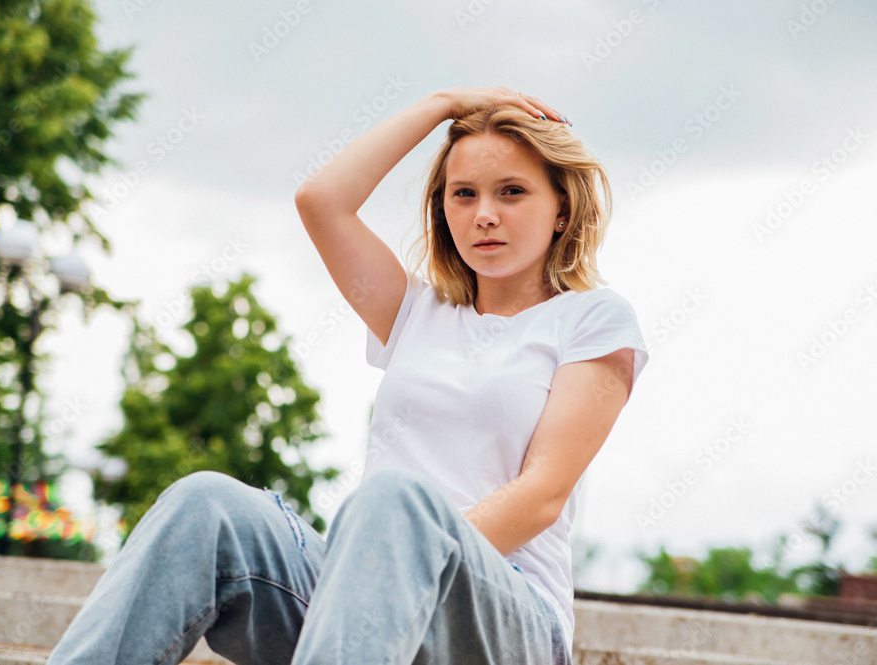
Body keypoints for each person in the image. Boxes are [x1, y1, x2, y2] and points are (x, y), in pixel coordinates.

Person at [47, 86, 648, 665]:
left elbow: (542, 495)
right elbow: (322, 200)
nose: (484, 214)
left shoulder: (593, 319)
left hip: (505, 618)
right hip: (362, 599)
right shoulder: (416, 313)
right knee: (205, 503)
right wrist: (443, 103)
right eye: (463, 194)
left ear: (562, 209)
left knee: (393, 502)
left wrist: (402, 556)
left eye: (511, 192)